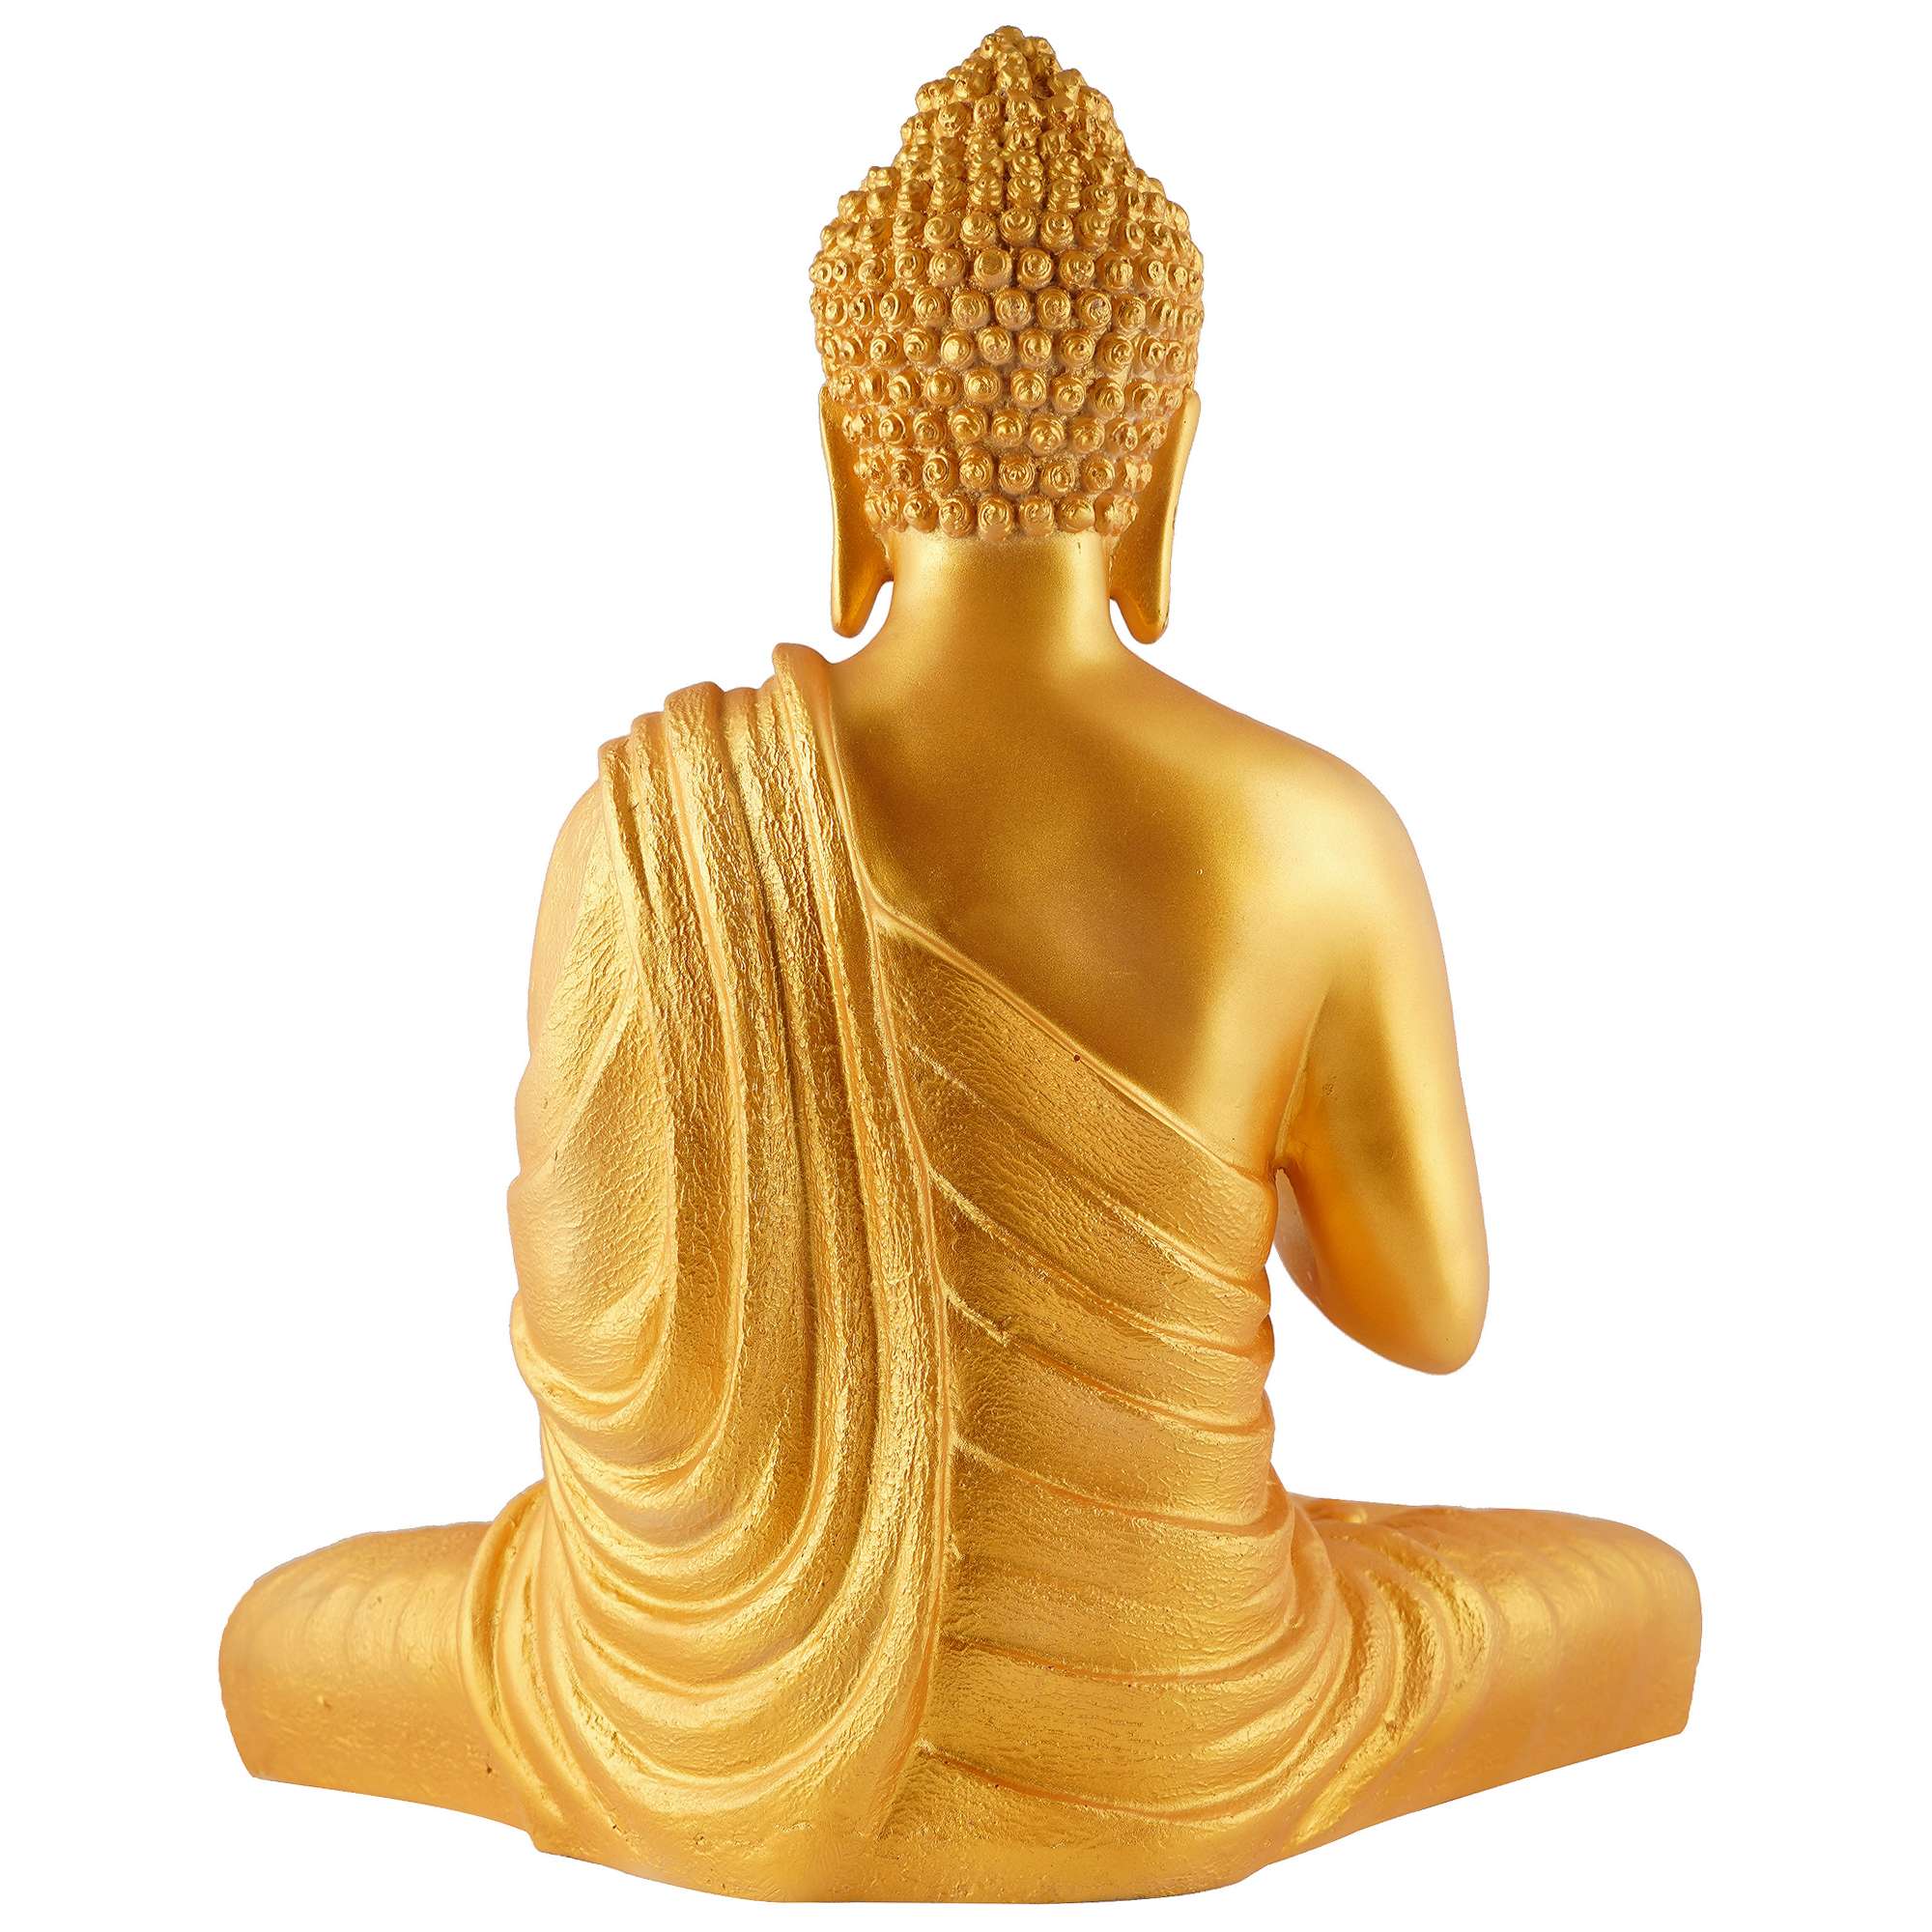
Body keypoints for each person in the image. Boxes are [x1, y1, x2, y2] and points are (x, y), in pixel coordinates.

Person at [221, 28, 1698, 1901]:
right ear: (1164, 465)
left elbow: (599, 1373)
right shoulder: (1311, 832)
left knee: (285, 1633)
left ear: (848, 464)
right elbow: (1428, 1315)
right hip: (1181, 1727)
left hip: (693, 1740)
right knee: (1632, 1593)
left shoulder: (648, 822)